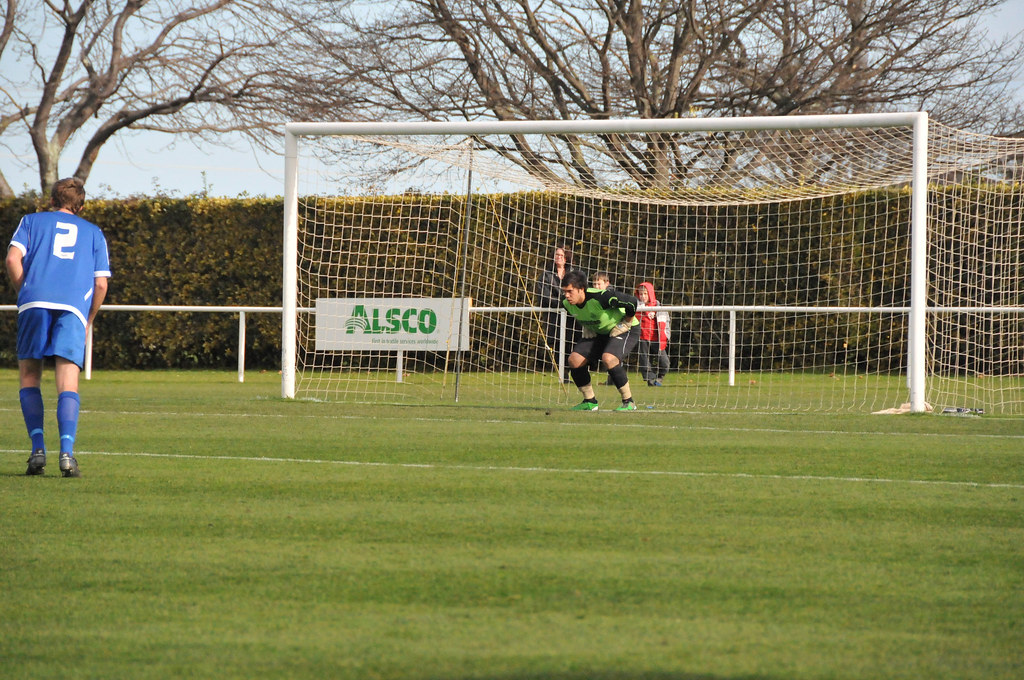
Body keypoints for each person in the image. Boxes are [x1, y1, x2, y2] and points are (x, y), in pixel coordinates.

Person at [7, 177, 111, 477]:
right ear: (80, 205)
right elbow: (101, 283)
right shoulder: (94, 232)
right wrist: (88, 317)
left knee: (29, 376)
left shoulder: (30, 221)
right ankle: (67, 455)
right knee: (68, 382)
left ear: (52, 199)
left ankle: (37, 450)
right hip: (73, 308)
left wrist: (24, 291)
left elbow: (13, 258)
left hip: (34, 302)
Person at [559, 270, 641, 411]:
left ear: (581, 289)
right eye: (564, 291)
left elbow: (632, 302)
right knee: (574, 360)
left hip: (627, 329)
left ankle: (629, 402)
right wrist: (586, 325)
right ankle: (590, 402)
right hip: (601, 333)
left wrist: (626, 322)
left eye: (570, 291)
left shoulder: (601, 297)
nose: (566, 295)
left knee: (608, 359)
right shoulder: (567, 303)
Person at [635, 281, 670, 386]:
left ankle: (660, 377)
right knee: (644, 361)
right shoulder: (636, 307)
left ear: (650, 293)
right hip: (642, 338)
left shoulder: (658, 306)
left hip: (657, 339)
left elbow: (666, 323)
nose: (643, 296)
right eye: (641, 294)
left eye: (645, 294)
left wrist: (666, 335)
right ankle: (650, 380)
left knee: (665, 362)